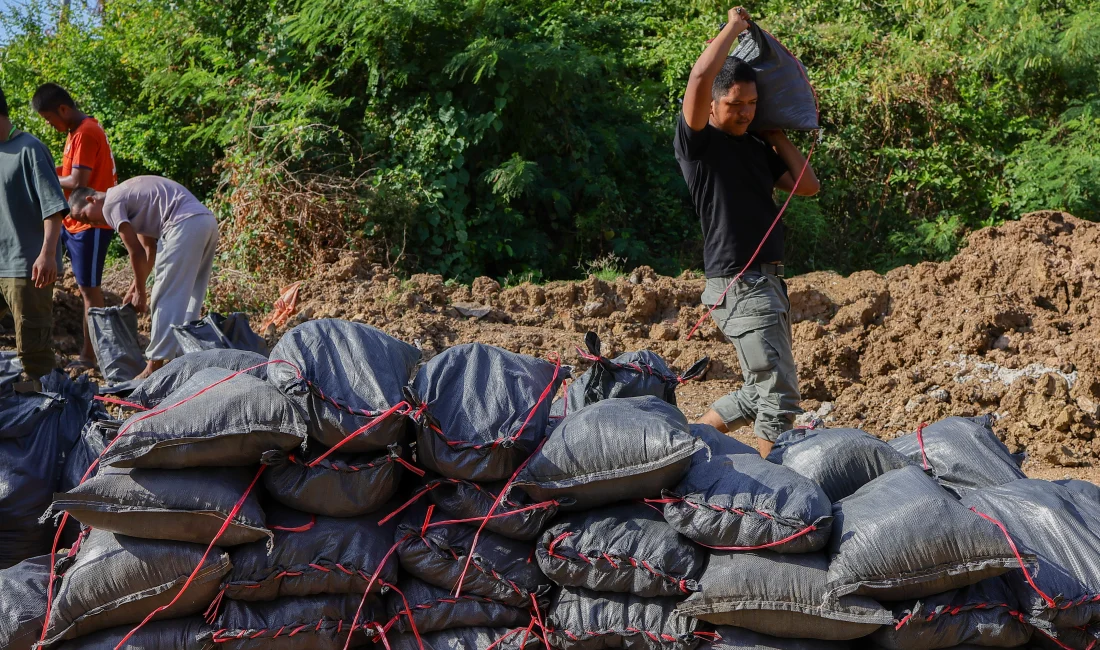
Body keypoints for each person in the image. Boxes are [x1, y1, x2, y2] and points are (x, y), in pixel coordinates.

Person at [674, 6, 820, 457]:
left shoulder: (756, 146)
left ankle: (685, 451)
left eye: (751, 104)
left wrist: (774, 133)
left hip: (767, 282)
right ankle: (769, 492)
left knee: (759, 393)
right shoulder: (700, 145)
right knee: (779, 397)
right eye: (734, 104)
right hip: (741, 283)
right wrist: (734, 28)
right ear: (714, 104)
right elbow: (699, 79)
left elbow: (809, 186)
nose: (742, 113)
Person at [67, 176, 218, 379]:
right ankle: (187, 357)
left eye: (85, 217)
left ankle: (154, 366)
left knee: (164, 297)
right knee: (192, 294)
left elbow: (136, 252)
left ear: (91, 199)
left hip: (181, 224)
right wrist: (135, 286)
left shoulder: (111, 203)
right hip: (205, 221)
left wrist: (141, 291)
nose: (90, 223)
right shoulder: (129, 197)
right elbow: (149, 249)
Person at [32, 83, 119, 371]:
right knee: (84, 288)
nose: (50, 125)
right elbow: (69, 174)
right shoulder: (75, 132)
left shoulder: (85, 133)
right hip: (75, 221)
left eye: (49, 119)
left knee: (89, 291)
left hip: (91, 223)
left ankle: (91, 356)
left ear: (63, 109)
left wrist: (43, 177)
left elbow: (78, 183)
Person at [0, 87, 70, 388]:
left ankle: (45, 415)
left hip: (27, 267)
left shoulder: (30, 149)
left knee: (33, 348)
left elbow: (53, 209)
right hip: (2, 261)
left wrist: (47, 254)